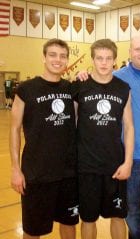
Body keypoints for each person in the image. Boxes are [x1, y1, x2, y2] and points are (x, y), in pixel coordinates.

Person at [77, 34, 140, 239]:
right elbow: (98, 80)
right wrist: (82, 74)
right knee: (132, 212)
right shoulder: (118, 77)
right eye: (137, 49)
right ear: (129, 52)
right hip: (130, 158)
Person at [10, 39, 79, 239]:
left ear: (67, 59)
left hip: (68, 172)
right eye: (53, 55)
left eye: (63, 56)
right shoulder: (26, 89)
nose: (58, 60)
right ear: (44, 57)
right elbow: (14, 129)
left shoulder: (71, 89)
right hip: (37, 174)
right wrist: (16, 168)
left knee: (69, 224)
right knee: (33, 230)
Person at [72, 39, 134, 239]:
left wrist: (128, 162)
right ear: (93, 59)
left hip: (114, 166)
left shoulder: (123, 88)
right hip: (86, 166)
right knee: (88, 219)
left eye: (108, 58)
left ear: (115, 61)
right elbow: (71, 124)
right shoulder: (80, 87)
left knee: (118, 217)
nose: (104, 63)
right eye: (99, 58)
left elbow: (129, 126)